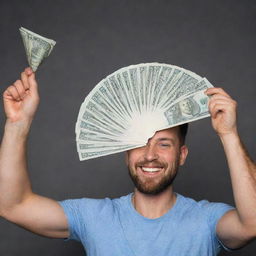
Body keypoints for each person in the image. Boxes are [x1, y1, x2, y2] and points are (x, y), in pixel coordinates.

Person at [0, 67, 256, 256]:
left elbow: (252, 224)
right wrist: (17, 124)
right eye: (138, 142)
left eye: (164, 143)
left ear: (182, 155)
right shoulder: (94, 217)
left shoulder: (206, 219)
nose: (149, 154)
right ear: (125, 152)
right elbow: (12, 204)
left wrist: (228, 134)